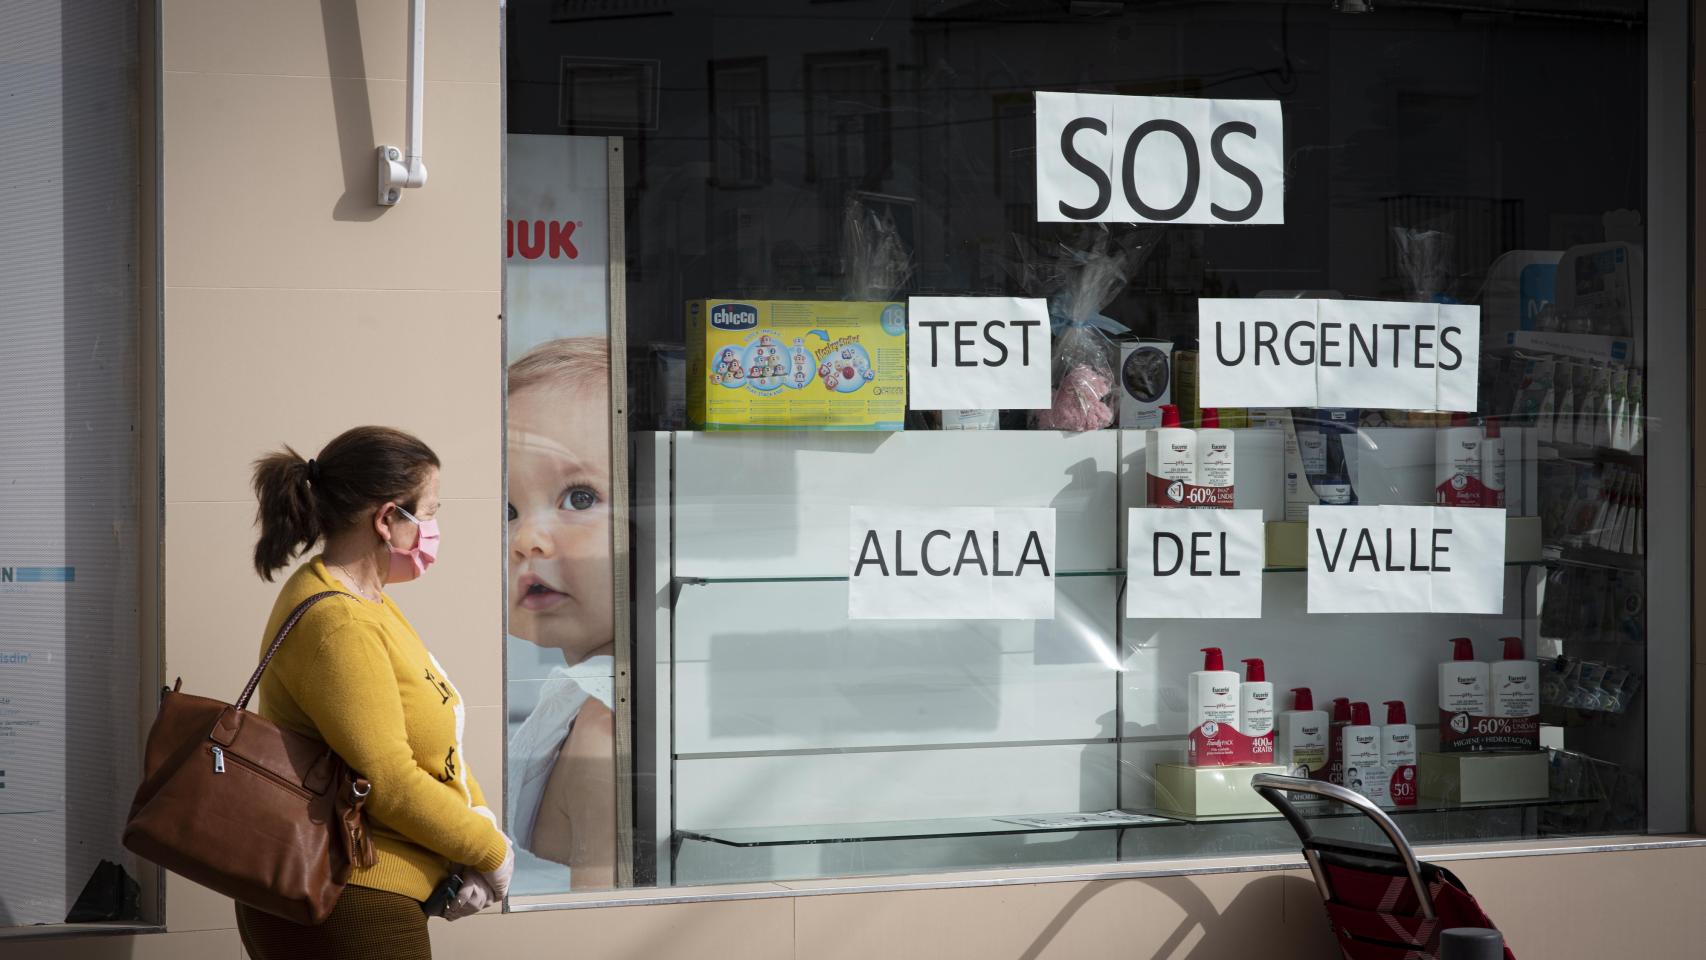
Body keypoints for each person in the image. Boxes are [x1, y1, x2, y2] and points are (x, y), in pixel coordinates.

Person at [240, 426, 511, 959]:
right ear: (387, 519)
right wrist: (491, 850)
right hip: (350, 897)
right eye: (428, 513)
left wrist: (475, 826)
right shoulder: (340, 622)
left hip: (369, 889)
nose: (433, 529)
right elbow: (389, 780)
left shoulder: (366, 601)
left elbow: (436, 746)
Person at [504, 337, 616, 890]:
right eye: (507, 509)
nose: (528, 539)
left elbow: (604, 925)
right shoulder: (582, 703)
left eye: (580, 498)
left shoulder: (606, 731)